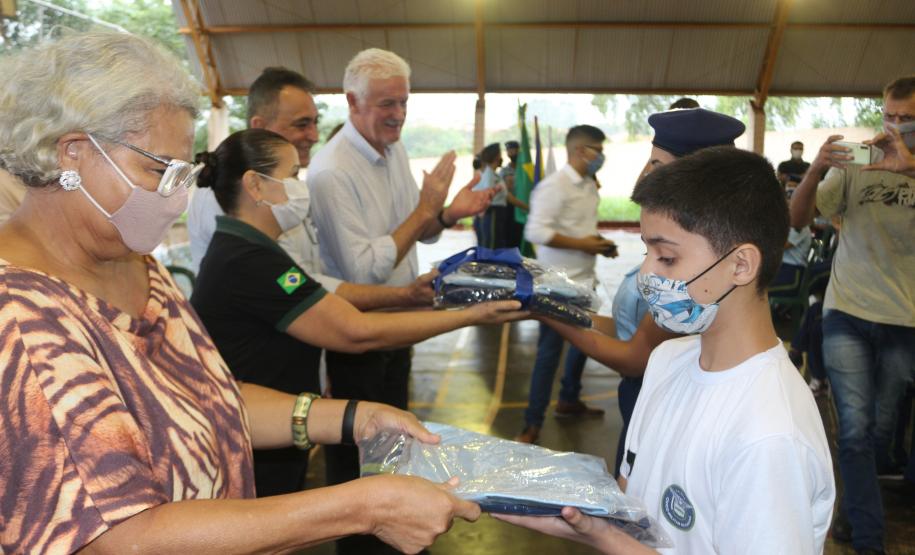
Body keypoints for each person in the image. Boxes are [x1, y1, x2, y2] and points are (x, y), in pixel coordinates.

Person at [0, 31, 484, 554]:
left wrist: (350, 418)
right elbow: (124, 540)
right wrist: (362, 506)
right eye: (158, 170)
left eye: (182, 174)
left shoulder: (132, 262)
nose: (177, 198)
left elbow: (204, 400)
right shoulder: (22, 319)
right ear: (72, 154)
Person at [497, 146, 835, 554]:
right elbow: (633, 506)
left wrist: (601, 535)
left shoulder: (770, 436)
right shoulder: (667, 360)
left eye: (667, 257)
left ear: (741, 266)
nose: (646, 274)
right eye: (647, 253)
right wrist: (572, 513)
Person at [190, 128, 523, 497]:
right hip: (257, 442)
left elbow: (331, 307)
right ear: (255, 185)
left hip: (273, 429)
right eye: (293, 176)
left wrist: (410, 296)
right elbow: (356, 332)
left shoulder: (249, 249)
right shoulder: (248, 259)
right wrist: (471, 315)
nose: (302, 188)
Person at [306, 47, 496, 554]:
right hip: (360, 334)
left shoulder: (394, 151)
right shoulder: (331, 172)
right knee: (361, 457)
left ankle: (397, 534)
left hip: (402, 324)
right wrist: (427, 209)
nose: (398, 115)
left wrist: (448, 214)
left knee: (398, 442)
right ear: (352, 101)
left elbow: (417, 234)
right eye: (386, 104)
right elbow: (364, 268)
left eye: (404, 103)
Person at [539, 108, 746, 474]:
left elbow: (635, 357)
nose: (645, 173)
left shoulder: (696, 263)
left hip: (665, 408)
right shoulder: (673, 241)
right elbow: (627, 327)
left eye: (655, 163)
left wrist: (544, 312)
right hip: (643, 404)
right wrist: (552, 306)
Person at [789, 75, 915, 554]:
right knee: (857, 430)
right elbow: (798, 220)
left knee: (880, 432)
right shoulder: (860, 161)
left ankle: (851, 509)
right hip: (848, 310)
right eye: (890, 115)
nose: (896, 126)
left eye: (907, 118)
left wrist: (909, 169)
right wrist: (817, 168)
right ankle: (869, 541)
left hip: (906, 319)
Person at [515, 125, 617, 444]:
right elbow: (535, 232)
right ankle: (532, 423)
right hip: (556, 284)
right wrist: (581, 244)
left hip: (585, 281)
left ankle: (569, 399)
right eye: (596, 149)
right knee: (549, 353)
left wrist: (599, 244)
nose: (601, 155)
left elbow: (581, 229)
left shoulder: (589, 186)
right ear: (578, 151)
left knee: (583, 343)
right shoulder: (553, 186)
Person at [477, 142, 527, 249]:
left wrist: (526, 207)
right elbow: (486, 196)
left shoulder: (495, 175)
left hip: (498, 214)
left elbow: (508, 197)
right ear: (496, 157)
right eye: (500, 154)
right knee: (492, 246)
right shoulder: (489, 176)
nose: (502, 157)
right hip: (493, 213)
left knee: (496, 244)